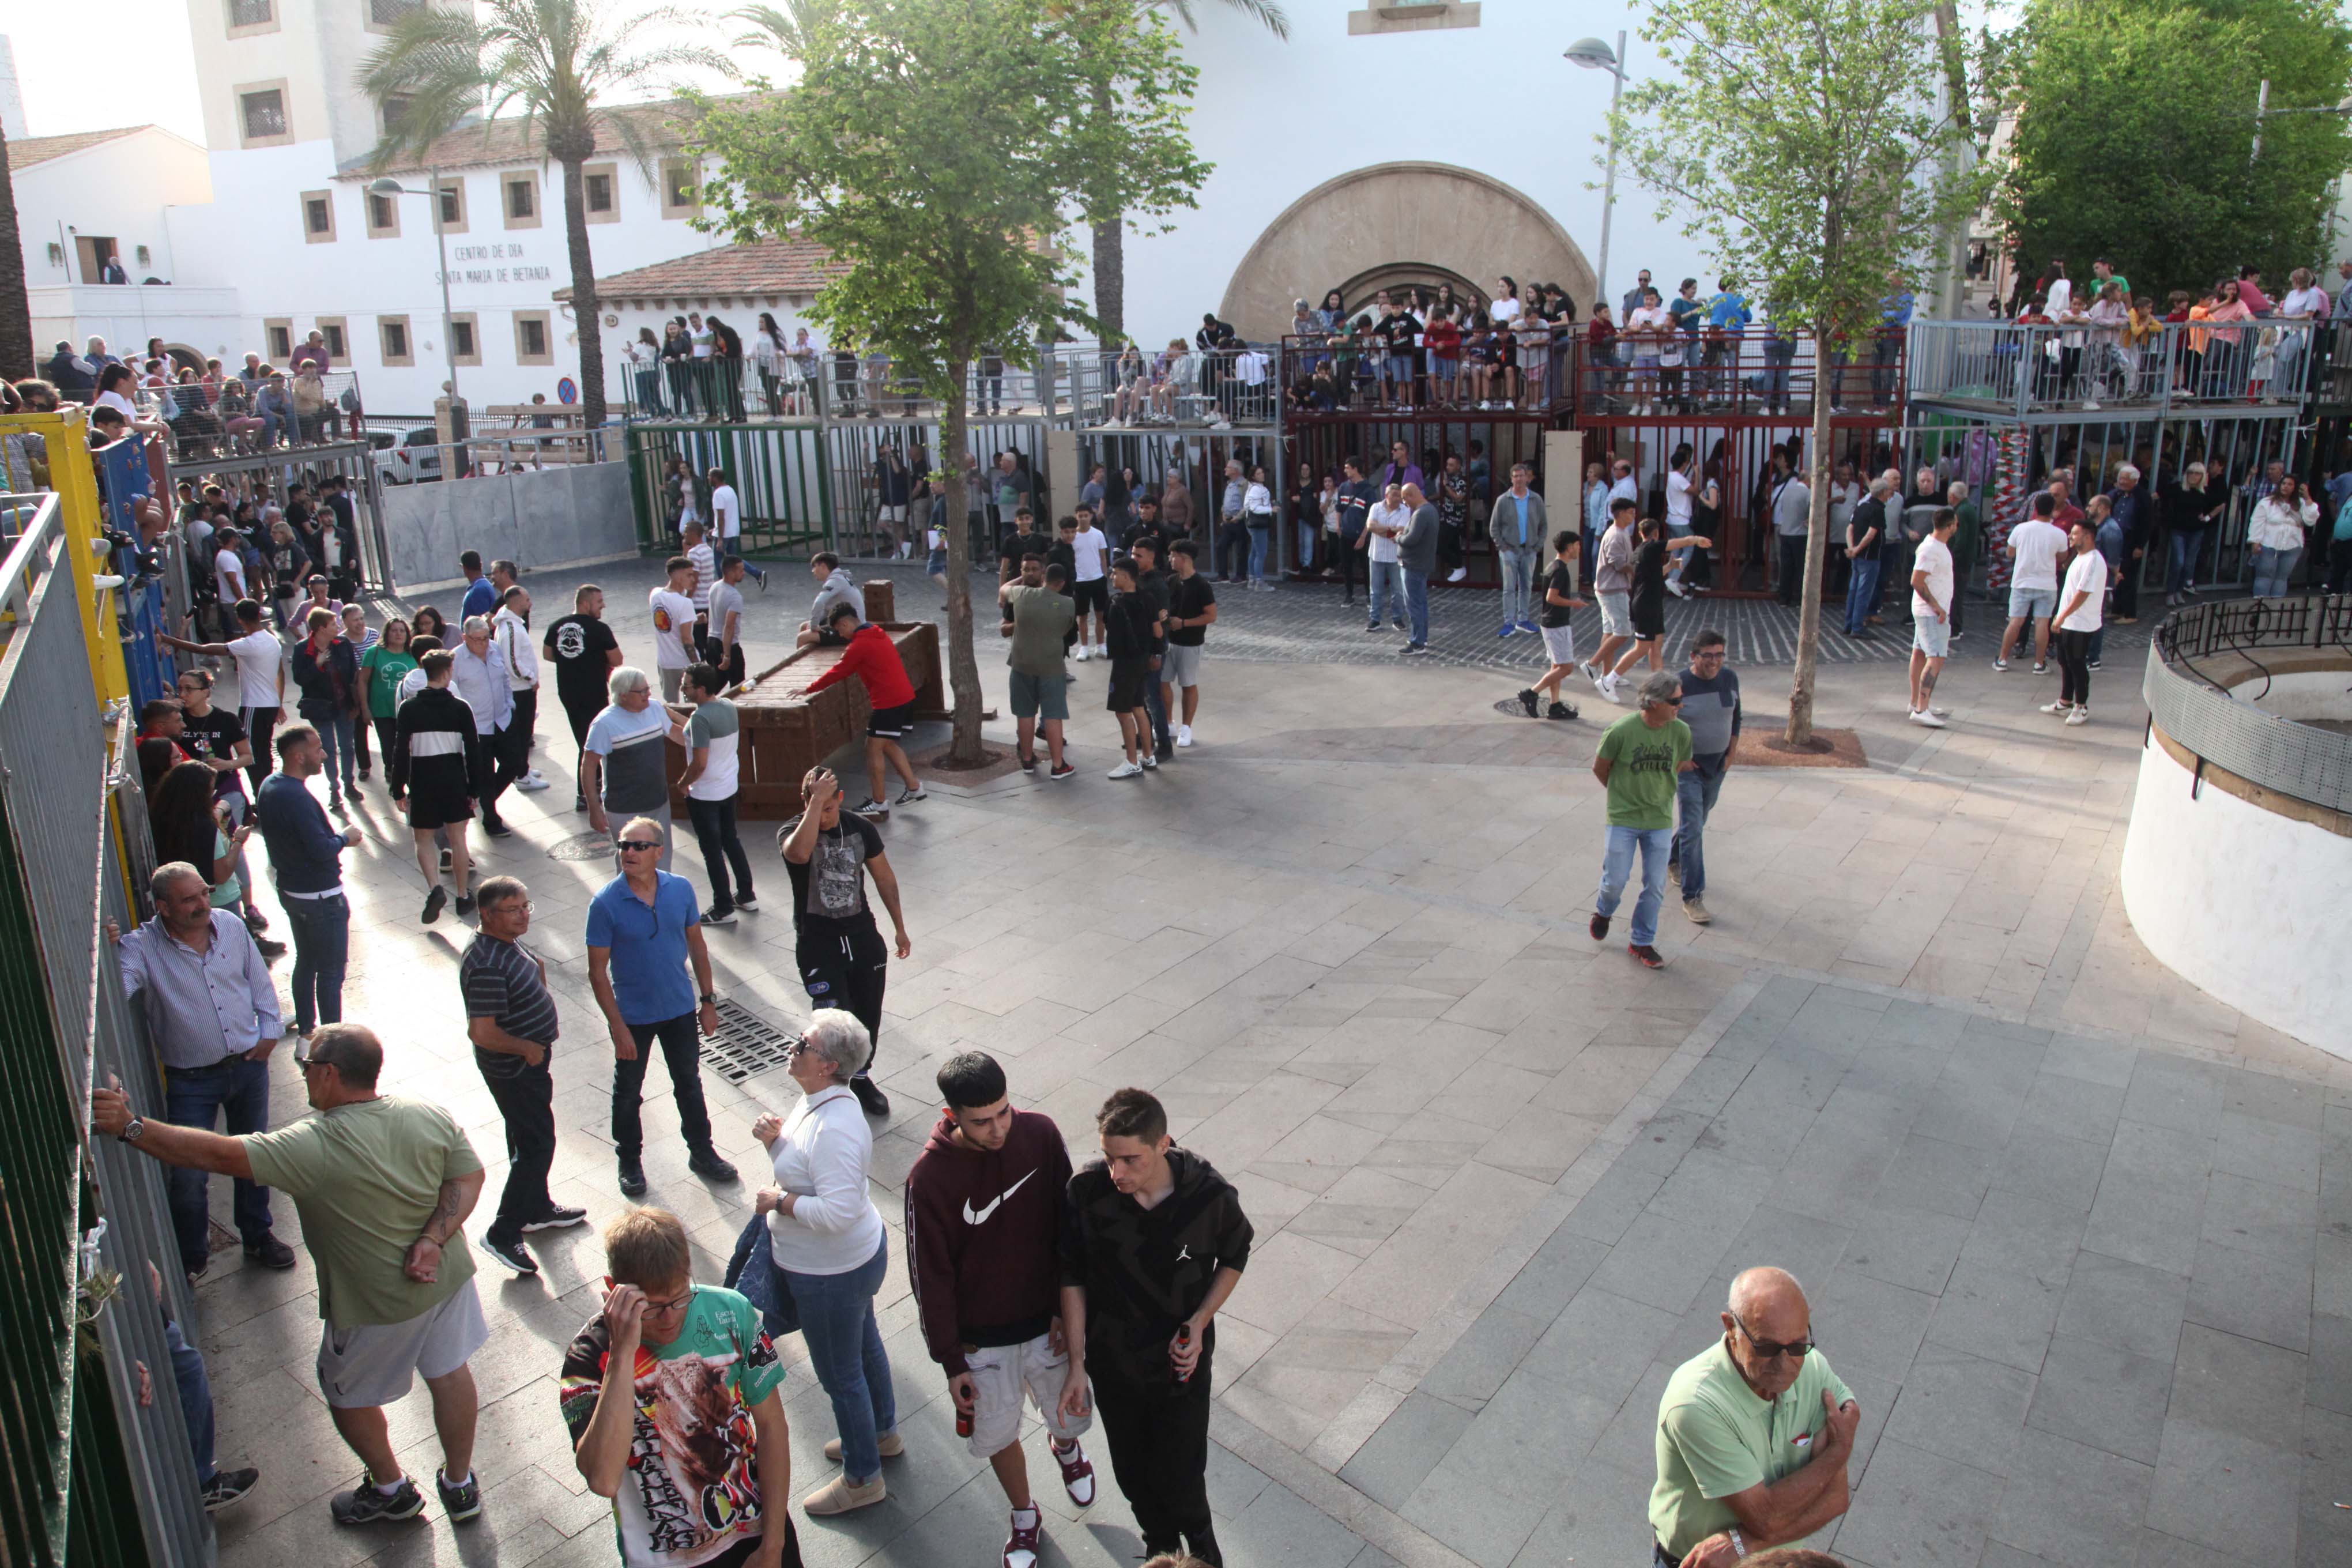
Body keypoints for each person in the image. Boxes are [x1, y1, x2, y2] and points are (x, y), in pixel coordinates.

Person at [92, 1024, 493, 1528]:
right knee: (450, 1372)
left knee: (344, 1394)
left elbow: (216, 1153)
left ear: (328, 1074)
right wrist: (433, 1240)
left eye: (307, 1068)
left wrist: (131, 1127)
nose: (303, 1076)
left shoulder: (314, 1144)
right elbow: (468, 1176)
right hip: (450, 1279)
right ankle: (460, 1484)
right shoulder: (424, 1112)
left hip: (378, 1303)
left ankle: (392, 1490)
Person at [905, 1052, 1098, 1566]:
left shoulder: (1040, 1135)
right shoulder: (927, 1179)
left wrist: (1067, 1306)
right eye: (982, 1121)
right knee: (997, 1436)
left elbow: (1069, 1226)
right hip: (981, 1343)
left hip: (1048, 1326)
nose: (999, 1130)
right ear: (951, 1116)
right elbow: (930, 1277)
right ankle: (1024, 1516)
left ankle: (1066, 1450)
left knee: (1069, 1417)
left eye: (1005, 1112)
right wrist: (951, 1362)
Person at [1056, 1088, 1250, 1567]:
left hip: (1179, 1361)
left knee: (1183, 1474)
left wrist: (1200, 1322)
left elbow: (1236, 1254)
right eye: (1108, 1157)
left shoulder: (1209, 1195)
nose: (1117, 1172)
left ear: (1164, 1144)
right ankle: (1159, 1549)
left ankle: (1202, 1551)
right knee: (1133, 1475)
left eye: (1129, 1159)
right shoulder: (1088, 1191)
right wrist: (1077, 1365)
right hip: (1113, 1357)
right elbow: (1072, 1274)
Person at [564, 1207, 801, 1568]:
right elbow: (603, 1478)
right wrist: (623, 1353)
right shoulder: (588, 1357)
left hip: (754, 1532)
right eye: (655, 1308)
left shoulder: (732, 1312)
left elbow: (771, 1427)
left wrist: (774, 1546)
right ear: (616, 1291)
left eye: (680, 1298)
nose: (672, 1318)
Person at [746, 1012, 898, 1516]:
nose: (794, 1048)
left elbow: (835, 1212)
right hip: (848, 1262)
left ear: (828, 1065)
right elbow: (810, 1168)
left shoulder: (835, 1127)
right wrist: (776, 1141)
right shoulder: (819, 1100)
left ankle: (862, 1478)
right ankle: (880, 1434)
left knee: (840, 1375)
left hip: (832, 1272)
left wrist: (779, 1202)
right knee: (864, 1345)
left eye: (802, 1044)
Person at [111, 862, 296, 1279]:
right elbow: (117, 988)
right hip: (191, 1081)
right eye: (189, 899)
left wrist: (269, 1032)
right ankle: (193, 1257)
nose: (202, 905)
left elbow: (258, 981)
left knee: (255, 1158)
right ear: (162, 907)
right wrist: (107, 953)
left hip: (249, 1067)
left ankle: (258, 1235)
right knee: (188, 1175)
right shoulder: (141, 948)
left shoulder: (230, 925)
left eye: (204, 893)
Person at [1650, 1268, 1859, 1568]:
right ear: (1731, 1327)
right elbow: (1765, 1519)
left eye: (1798, 1346)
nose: (1786, 1365)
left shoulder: (1812, 1368)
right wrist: (1836, 1455)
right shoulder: (1695, 1403)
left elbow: (1836, 1499)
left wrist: (1742, 1543)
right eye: (1768, 1347)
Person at [587, 816, 738, 1197]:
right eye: (624, 845)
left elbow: (697, 947)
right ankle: (629, 1161)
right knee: (628, 1092)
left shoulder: (681, 890)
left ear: (659, 851)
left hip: (678, 1009)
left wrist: (707, 1000)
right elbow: (597, 973)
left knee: (688, 1083)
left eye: (639, 846)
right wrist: (617, 1027)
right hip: (633, 1017)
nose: (629, 853)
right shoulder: (605, 903)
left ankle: (702, 1153)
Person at [461, 877, 587, 1275]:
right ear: (486, 913)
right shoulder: (484, 962)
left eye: (526, 906)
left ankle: (536, 1207)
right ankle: (504, 1231)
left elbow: (534, 965)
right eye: (513, 910)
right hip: (515, 1069)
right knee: (537, 1143)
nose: (523, 915)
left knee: (524, 1137)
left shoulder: (504, 942)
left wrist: (540, 994)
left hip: (529, 1063)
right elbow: (482, 1032)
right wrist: (527, 1047)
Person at [778, 767, 911, 1118]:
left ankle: (862, 1079)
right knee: (834, 1022)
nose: (824, 816)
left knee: (868, 1016)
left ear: (840, 800)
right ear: (806, 802)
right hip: (818, 945)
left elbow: (884, 878)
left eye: (829, 807)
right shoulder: (792, 830)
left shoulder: (859, 828)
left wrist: (899, 927)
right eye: (815, 806)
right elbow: (799, 855)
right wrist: (816, 803)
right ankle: (835, 1088)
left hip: (863, 938)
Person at [253, 724, 360, 1035]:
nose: (324, 755)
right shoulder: (296, 796)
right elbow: (319, 849)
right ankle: (332, 1042)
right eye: (318, 750)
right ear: (299, 757)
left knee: (308, 961)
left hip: (294, 892)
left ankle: (306, 1033)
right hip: (321, 898)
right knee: (330, 972)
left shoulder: (271, 784)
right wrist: (345, 838)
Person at [1589, 671, 1695, 970]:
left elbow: (1679, 764)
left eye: (1681, 700)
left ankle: (1642, 941)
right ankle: (1604, 911)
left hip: (1659, 820)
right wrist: (1622, 795)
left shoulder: (1681, 732)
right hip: (1623, 819)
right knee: (1616, 882)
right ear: (1652, 702)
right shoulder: (1620, 731)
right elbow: (1600, 768)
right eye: (1674, 701)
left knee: (1656, 884)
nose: (1680, 706)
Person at [391, 648, 489, 922]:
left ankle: (435, 888)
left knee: (422, 839)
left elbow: (400, 751)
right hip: (454, 778)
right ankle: (462, 895)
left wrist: (398, 789)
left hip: (422, 779)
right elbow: (473, 751)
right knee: (458, 839)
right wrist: (474, 790)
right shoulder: (461, 707)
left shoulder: (408, 708)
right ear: (447, 673)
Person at [802, 605, 925, 817]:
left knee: (873, 747)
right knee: (886, 743)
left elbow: (837, 672)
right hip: (903, 696)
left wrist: (808, 689)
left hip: (889, 702)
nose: (841, 635)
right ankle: (915, 788)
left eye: (840, 631)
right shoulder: (877, 632)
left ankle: (879, 804)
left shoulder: (858, 646)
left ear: (845, 624)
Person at [161, 600, 283, 793]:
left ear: (240, 620)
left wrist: (168, 640)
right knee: (264, 753)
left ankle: (262, 797)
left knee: (253, 755)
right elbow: (280, 673)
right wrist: (279, 704)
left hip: (254, 706)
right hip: (270, 705)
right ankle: (268, 793)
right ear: (260, 615)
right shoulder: (272, 640)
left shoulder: (248, 644)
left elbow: (202, 649)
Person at [671, 664, 757, 926]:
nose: (682, 689)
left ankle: (723, 908)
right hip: (727, 788)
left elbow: (699, 763)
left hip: (705, 794)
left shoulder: (701, 719)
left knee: (712, 852)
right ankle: (746, 895)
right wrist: (670, 715)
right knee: (731, 841)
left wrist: (683, 784)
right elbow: (694, 734)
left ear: (701, 689)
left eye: (686, 685)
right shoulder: (728, 707)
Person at [1667, 634, 1739, 926]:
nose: (1714, 661)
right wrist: (1678, 759)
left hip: (1718, 765)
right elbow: (1662, 722)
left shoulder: (1730, 678)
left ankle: (1674, 857)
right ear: (1693, 656)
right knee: (1694, 828)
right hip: (1689, 769)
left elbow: (1736, 718)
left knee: (1696, 823)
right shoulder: (1678, 685)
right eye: (1708, 655)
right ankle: (1693, 896)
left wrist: (1732, 753)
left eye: (1719, 655)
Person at [543, 585, 625, 811]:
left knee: (584, 739)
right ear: (586, 603)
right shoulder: (599, 629)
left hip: (568, 693)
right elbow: (617, 660)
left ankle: (589, 789)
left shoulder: (556, 626)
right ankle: (588, 792)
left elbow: (548, 654)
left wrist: (572, 661)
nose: (603, 606)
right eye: (600, 602)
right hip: (593, 693)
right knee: (594, 742)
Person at [1608, 518, 1712, 692]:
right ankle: (1610, 680)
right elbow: (1682, 542)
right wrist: (1695, 540)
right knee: (1642, 648)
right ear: (1656, 533)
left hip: (1652, 603)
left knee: (1656, 645)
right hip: (1645, 604)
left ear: (1641, 532)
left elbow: (1653, 576)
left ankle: (1660, 686)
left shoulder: (1642, 551)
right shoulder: (1651, 547)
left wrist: (1670, 566)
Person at [1000, 553, 1079, 779]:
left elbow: (1003, 589)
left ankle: (1026, 760)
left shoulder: (1022, 594)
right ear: (1062, 583)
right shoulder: (1068, 603)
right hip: (1051, 666)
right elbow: (1065, 630)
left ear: (1044, 577)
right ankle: (1058, 765)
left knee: (1025, 713)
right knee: (1053, 715)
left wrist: (1019, 578)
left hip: (1021, 663)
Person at [290, 606, 362, 809]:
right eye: (333, 624)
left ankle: (349, 783)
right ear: (321, 628)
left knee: (348, 746)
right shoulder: (302, 649)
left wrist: (356, 703)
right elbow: (300, 679)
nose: (338, 627)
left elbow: (352, 674)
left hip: (344, 704)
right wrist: (317, 665)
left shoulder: (342, 643)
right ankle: (334, 788)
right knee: (328, 748)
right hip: (320, 707)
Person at [1996, 496, 2070, 674]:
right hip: (2047, 584)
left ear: (2035, 507)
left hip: (2022, 582)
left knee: (2016, 622)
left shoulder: (2021, 529)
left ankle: (2002, 660)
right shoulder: (2058, 533)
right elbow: (2062, 557)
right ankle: (2039, 663)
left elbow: (2010, 553)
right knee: (2042, 624)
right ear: (2053, 509)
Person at [1520, 530, 1587, 721]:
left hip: (1551, 623)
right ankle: (1531, 693)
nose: (1579, 549)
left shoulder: (1554, 566)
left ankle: (1555, 706)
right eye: (1577, 545)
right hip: (1556, 624)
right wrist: (1575, 603)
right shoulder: (1561, 571)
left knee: (1557, 666)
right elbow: (1552, 597)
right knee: (1566, 668)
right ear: (1569, 548)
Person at [2046, 517, 2107, 726]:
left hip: (2082, 624)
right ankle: (2065, 700)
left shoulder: (2093, 561)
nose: (2071, 536)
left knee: (2077, 663)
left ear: (2088, 537)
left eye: (2075, 533)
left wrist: (2061, 616)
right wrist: (2061, 617)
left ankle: (2081, 706)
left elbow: (2083, 593)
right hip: (2069, 622)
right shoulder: (2079, 557)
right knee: (2065, 661)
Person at [1103, 556, 1159, 778]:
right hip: (1142, 660)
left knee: (1123, 711)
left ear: (1126, 577)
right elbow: (1158, 631)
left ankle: (1132, 761)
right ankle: (1148, 756)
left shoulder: (1117, 602)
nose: (1112, 577)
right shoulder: (1148, 599)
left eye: (1115, 573)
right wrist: (1155, 654)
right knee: (1138, 708)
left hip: (1125, 663)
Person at [492, 584, 549, 796]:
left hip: (522, 688)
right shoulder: (511, 629)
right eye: (527, 600)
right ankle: (522, 776)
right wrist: (531, 678)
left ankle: (523, 770)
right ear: (516, 602)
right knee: (523, 732)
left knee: (525, 732)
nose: (530, 604)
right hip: (520, 690)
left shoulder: (512, 625)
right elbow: (513, 662)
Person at [1160, 540, 1218, 749]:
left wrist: (1184, 623)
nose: (1169, 559)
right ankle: (1168, 723)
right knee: (1163, 681)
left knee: (1188, 684)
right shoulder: (1171, 580)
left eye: (1172, 555)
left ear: (1184, 559)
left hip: (1191, 643)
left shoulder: (1202, 585)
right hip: (1169, 641)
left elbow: (1211, 616)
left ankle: (1187, 727)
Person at [1585, 497, 1641, 700]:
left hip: (1611, 589)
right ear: (1620, 514)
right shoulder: (1616, 535)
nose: (1633, 516)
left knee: (1609, 632)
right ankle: (1592, 665)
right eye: (1630, 512)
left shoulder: (1621, 532)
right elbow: (1618, 564)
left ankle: (1607, 674)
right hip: (1612, 590)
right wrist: (1637, 572)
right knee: (1623, 632)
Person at [1491, 462, 1549, 636]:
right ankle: (1509, 622)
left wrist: (1537, 546)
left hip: (1529, 550)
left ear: (1527, 478)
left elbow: (1544, 525)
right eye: (1515, 476)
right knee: (1509, 588)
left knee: (1527, 586)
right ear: (1511, 479)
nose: (1519, 479)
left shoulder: (1536, 500)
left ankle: (1523, 620)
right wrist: (1503, 547)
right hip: (1509, 551)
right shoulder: (1503, 500)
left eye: (1522, 476)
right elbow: (1494, 528)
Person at [2163, 463, 2225, 606]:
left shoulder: (2206, 492)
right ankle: (2171, 592)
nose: (2193, 476)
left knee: (2189, 563)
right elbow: (2160, 494)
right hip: (2178, 530)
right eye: (2190, 472)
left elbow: (2221, 504)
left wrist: (2208, 517)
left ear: (2203, 476)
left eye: (2197, 473)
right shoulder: (2179, 488)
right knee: (2178, 561)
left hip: (2196, 531)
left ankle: (2179, 591)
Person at [2248, 473, 2316, 597]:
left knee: (2281, 579)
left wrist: (2308, 499)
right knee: (2264, 577)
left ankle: (2276, 611)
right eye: (2284, 483)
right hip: (2268, 545)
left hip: (2292, 546)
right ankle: (2260, 607)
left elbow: (2310, 520)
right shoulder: (2267, 502)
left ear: (2295, 488)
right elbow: (2257, 522)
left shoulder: (2301, 504)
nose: (2286, 487)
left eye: (2290, 484)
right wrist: (2255, 541)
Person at [1394, 480, 1438, 655]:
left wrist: (1398, 537)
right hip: (1420, 564)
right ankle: (1422, 637)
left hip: (1413, 565)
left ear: (1412, 496)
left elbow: (1411, 539)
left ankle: (1417, 642)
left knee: (1414, 605)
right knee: (1420, 603)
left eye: (1405, 499)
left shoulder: (1421, 513)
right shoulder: (1431, 510)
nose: (1405, 503)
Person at [649, 556, 700, 704]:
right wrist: (697, 667)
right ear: (677, 576)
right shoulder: (685, 603)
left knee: (671, 706)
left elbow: (670, 621)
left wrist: (694, 619)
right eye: (689, 575)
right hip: (683, 663)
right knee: (692, 705)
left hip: (665, 662)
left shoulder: (655, 594)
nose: (693, 579)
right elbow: (686, 639)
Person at [1842, 476, 1889, 636]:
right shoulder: (1878, 510)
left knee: (1854, 591)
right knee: (1863, 593)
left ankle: (1849, 624)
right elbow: (1871, 534)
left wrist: (1852, 549)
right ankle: (1857, 626)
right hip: (1870, 557)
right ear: (1882, 493)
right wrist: (1857, 549)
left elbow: (1850, 528)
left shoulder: (1862, 507)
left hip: (1857, 556)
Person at [797, 553, 867, 649]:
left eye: (814, 567)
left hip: (851, 629)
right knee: (804, 626)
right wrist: (815, 623)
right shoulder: (839, 577)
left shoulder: (836, 580)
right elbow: (827, 609)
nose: (813, 571)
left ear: (823, 566)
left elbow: (819, 602)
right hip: (848, 623)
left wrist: (814, 625)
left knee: (802, 637)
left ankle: (801, 663)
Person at [458, 550, 497, 623]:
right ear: (481, 565)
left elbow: (482, 623)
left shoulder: (479, 590)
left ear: (464, 568)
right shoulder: (482, 585)